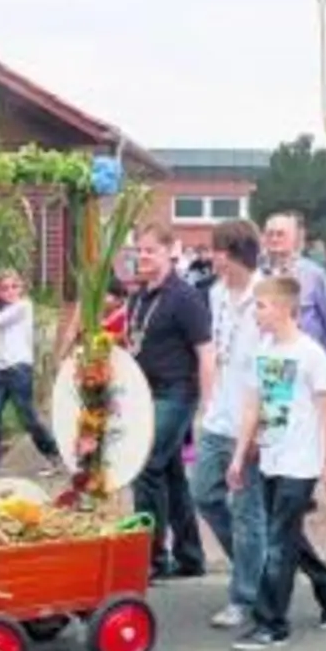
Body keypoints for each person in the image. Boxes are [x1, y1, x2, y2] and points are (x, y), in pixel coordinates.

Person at [230, 276, 326, 650]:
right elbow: (253, 404)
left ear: (284, 309)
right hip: (270, 457)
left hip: (301, 461)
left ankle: (272, 624)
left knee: (278, 541)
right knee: (287, 535)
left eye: (261, 306)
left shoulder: (310, 354)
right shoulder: (262, 349)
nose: (256, 314)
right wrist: (239, 455)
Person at [191, 219, 268, 630]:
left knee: (247, 511)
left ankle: (245, 596)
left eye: (215, 250)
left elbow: (276, 367)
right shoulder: (217, 294)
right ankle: (253, 566)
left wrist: (261, 429)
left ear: (232, 252)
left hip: (250, 422)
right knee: (202, 494)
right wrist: (209, 402)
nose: (210, 257)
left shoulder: (267, 295)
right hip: (218, 416)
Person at [126, 222, 215, 580]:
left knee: (146, 467)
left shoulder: (184, 297)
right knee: (172, 475)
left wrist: (208, 406)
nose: (143, 257)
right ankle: (191, 556)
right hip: (145, 394)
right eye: (140, 251)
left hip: (176, 392)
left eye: (150, 251)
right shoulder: (139, 296)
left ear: (169, 253)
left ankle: (152, 558)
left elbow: (206, 352)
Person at [0, 269, 64, 477]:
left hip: (18, 371)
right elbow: (2, 345)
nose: (10, 292)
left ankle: (54, 455)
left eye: (14, 287)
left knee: (28, 419)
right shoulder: (1, 310)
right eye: (4, 288)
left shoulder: (23, 307)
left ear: (21, 288)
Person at [261, 212, 326, 386]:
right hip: (271, 360)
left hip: (307, 360)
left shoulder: (313, 275)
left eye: (280, 234)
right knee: (277, 411)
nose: (274, 239)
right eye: (270, 234)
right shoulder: (257, 275)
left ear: (294, 238)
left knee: (308, 411)